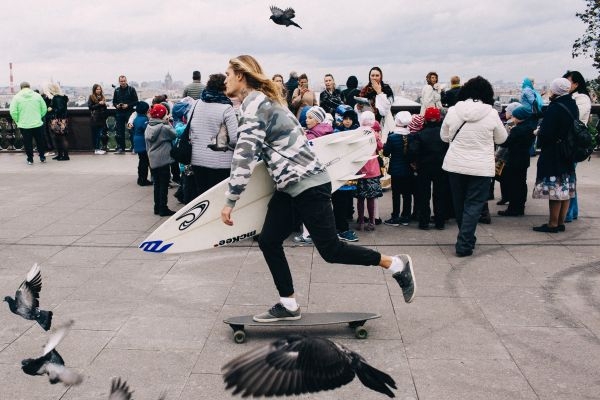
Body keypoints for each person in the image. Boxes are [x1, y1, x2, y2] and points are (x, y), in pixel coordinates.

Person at [221, 54, 416, 322]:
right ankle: (288, 304)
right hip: (290, 186)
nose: (225, 80)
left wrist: (230, 201)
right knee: (268, 240)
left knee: (332, 250)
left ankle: (396, 264)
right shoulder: (266, 103)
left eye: (228, 75)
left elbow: (243, 157)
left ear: (240, 75)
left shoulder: (255, 106)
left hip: (307, 186)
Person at [441, 76, 508, 257]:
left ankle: (466, 236)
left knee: (460, 203)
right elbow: (502, 139)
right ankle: (464, 242)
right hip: (481, 166)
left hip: (455, 164)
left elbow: (444, 136)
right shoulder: (491, 113)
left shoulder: (454, 111)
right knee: (474, 204)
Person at [531, 78, 578, 233]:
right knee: (565, 188)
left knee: (555, 189)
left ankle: (552, 223)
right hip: (568, 150)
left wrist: (538, 132)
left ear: (555, 90)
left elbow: (547, 132)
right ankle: (561, 222)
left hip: (554, 152)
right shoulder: (572, 104)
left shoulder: (555, 107)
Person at [189, 73, 239, 196]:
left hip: (197, 159)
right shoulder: (227, 108)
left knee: (202, 197)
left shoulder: (195, 104)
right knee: (218, 199)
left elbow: (190, 130)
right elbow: (234, 139)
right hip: (221, 162)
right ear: (224, 88)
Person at [409, 107, 450, 230]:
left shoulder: (419, 134)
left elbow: (413, 151)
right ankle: (440, 221)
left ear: (425, 119)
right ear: (438, 118)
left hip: (424, 167)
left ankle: (424, 221)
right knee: (440, 195)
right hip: (441, 167)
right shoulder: (444, 134)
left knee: (424, 195)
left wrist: (413, 162)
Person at [496, 106, 537, 217]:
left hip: (514, 159)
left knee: (513, 184)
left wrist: (503, 134)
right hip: (524, 159)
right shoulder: (530, 127)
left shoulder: (517, 130)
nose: (513, 117)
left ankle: (513, 208)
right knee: (521, 183)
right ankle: (520, 207)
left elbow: (505, 143)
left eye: (514, 116)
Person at [562, 70, 591, 223]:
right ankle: (571, 211)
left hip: (573, 144)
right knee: (569, 176)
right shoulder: (574, 98)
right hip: (570, 142)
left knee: (568, 176)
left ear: (576, 84)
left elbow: (573, 117)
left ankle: (569, 212)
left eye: (568, 83)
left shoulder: (582, 99)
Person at [383, 111, 416, 227]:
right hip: (409, 170)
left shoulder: (392, 137)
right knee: (407, 194)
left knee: (396, 194)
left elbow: (386, 153)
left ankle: (395, 216)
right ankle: (406, 216)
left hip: (396, 170)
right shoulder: (412, 136)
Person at [145, 104, 177, 217]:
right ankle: (163, 208)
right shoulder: (164, 127)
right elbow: (174, 135)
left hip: (153, 159)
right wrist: (168, 123)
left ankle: (157, 207)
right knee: (163, 185)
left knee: (157, 185)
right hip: (163, 159)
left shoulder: (149, 125)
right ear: (162, 114)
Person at [354, 111, 384, 231]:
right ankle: (371, 222)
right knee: (371, 198)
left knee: (360, 198)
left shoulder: (357, 132)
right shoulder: (374, 134)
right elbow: (381, 147)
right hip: (372, 170)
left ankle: (361, 221)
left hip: (359, 170)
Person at [9, 82, 47, 165]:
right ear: (29, 87)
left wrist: (18, 120)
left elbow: (13, 112)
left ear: (21, 88)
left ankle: (30, 159)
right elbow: (44, 108)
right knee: (40, 141)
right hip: (37, 123)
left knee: (27, 142)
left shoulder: (16, 97)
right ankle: (42, 157)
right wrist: (39, 116)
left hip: (24, 124)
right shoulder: (37, 96)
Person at [112, 75, 139, 154]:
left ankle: (134, 148)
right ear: (119, 82)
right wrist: (116, 105)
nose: (123, 82)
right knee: (120, 132)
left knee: (131, 131)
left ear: (126, 81)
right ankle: (121, 148)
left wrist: (128, 105)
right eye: (121, 81)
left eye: (124, 81)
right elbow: (114, 101)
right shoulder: (116, 90)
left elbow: (136, 101)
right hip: (119, 113)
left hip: (129, 113)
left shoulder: (131, 89)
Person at [45, 83, 70, 161]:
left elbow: (59, 110)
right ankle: (60, 155)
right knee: (59, 138)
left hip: (58, 120)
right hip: (61, 120)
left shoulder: (57, 98)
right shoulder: (61, 97)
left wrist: (51, 109)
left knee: (61, 138)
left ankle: (65, 156)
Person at [132, 101, 152, 186]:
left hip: (136, 140)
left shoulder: (136, 118)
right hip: (142, 141)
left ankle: (140, 178)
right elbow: (148, 130)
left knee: (141, 160)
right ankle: (143, 179)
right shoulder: (144, 119)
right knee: (145, 161)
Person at [88, 84, 108, 155]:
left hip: (101, 118)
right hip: (95, 118)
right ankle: (96, 149)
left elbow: (104, 108)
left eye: (99, 89)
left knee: (100, 134)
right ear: (94, 90)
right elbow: (90, 107)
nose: (98, 90)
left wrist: (104, 104)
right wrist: (99, 104)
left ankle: (98, 148)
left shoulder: (102, 97)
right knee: (96, 135)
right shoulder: (91, 97)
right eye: (97, 89)